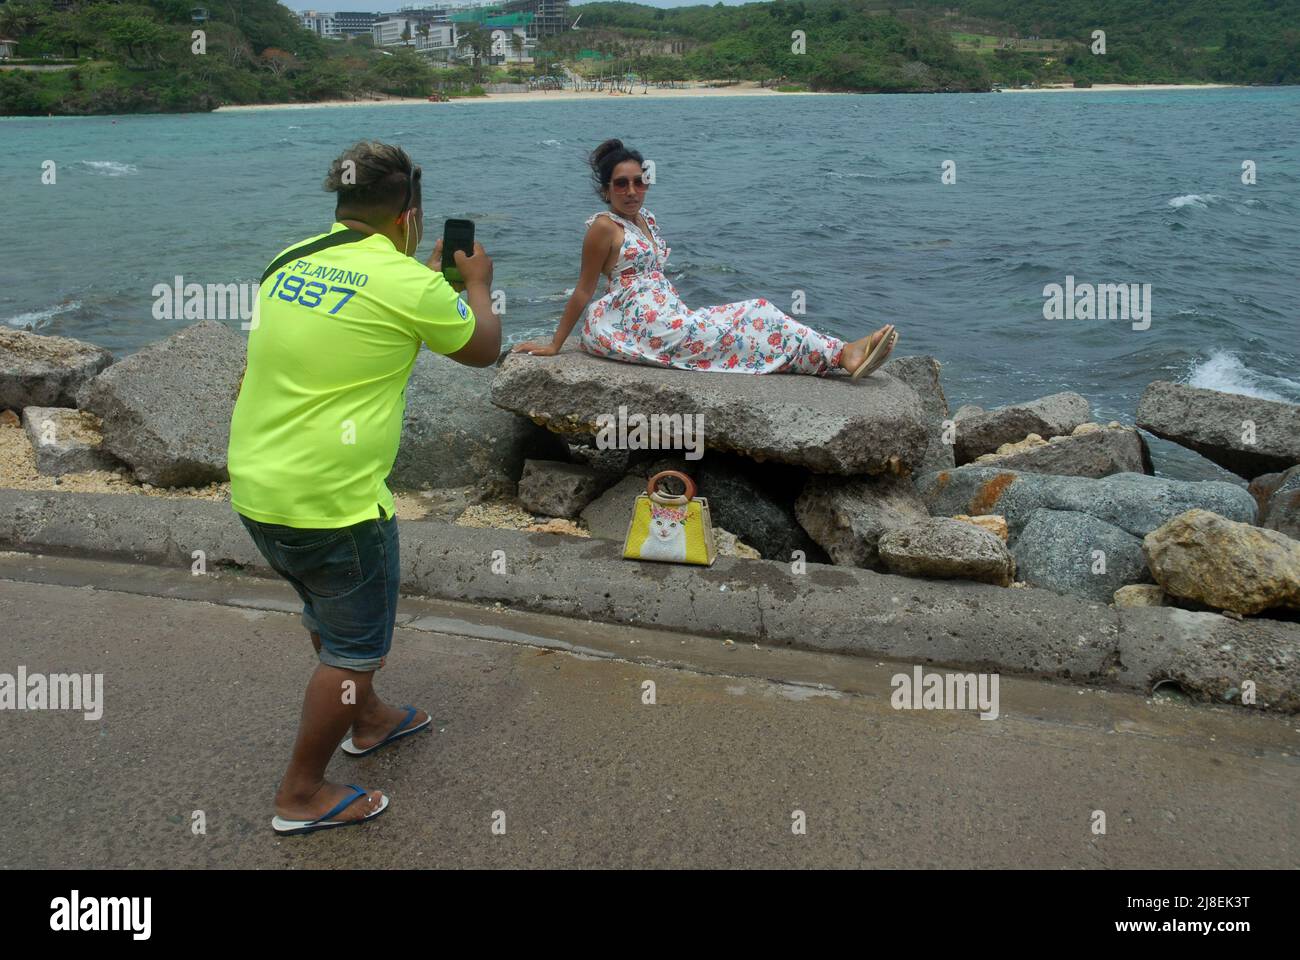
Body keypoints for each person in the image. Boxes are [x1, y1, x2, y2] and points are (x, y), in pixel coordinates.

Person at [227, 141, 500, 836]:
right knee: (354, 648)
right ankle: (301, 793)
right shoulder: (408, 283)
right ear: (410, 214)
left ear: (341, 201)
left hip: (260, 487)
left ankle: (370, 718)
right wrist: (475, 283)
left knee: (328, 609)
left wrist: (420, 278)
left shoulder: (286, 261)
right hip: (337, 503)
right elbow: (481, 348)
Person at [513, 138, 898, 376]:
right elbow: (584, 290)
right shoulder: (603, 228)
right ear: (605, 190)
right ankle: (840, 354)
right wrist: (554, 344)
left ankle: (839, 353)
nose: (631, 190)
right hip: (633, 324)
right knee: (755, 313)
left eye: (639, 181)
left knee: (754, 319)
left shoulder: (645, 218)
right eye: (620, 184)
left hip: (666, 313)